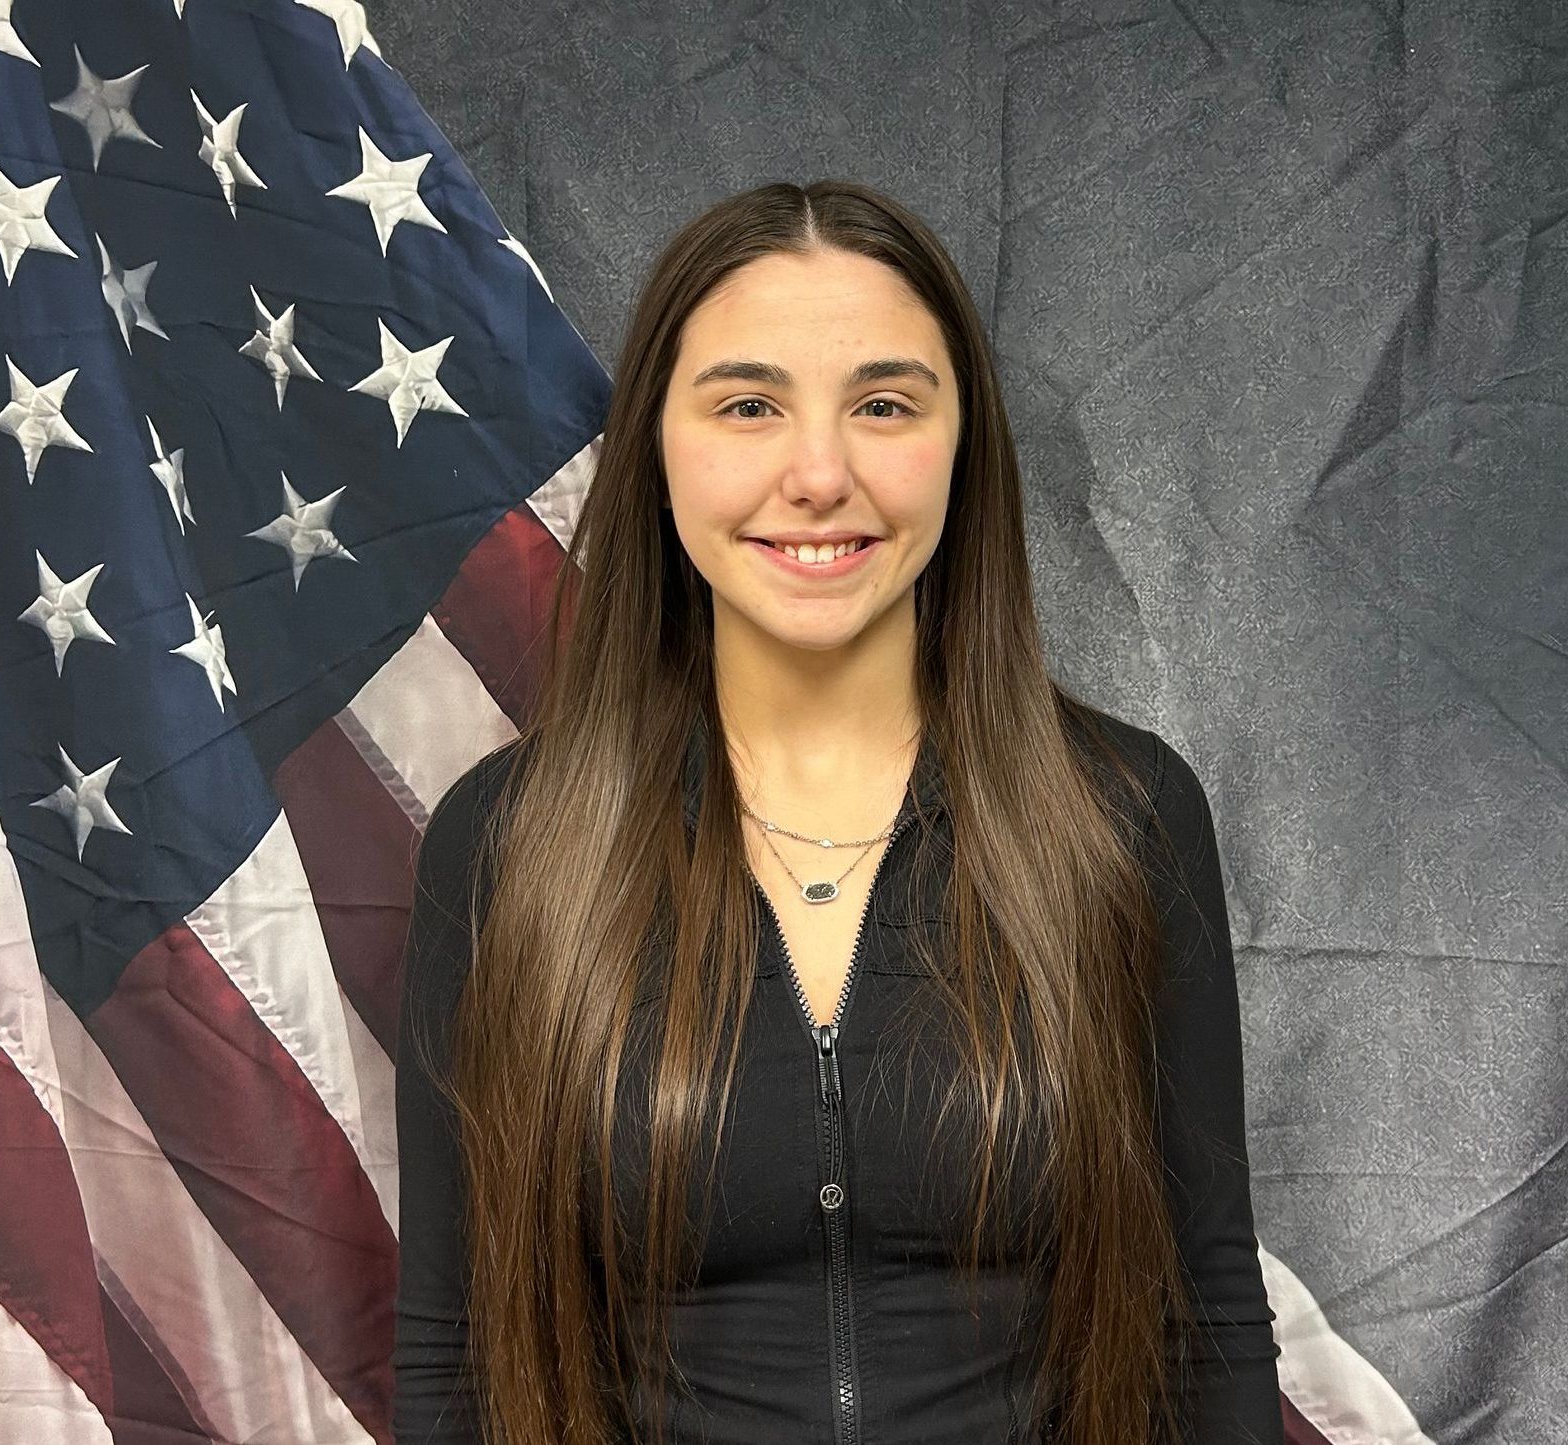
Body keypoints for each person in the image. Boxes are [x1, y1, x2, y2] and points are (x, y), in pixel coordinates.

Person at [392, 178, 1283, 1445]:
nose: (819, 474)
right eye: (749, 405)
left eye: (883, 404)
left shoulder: (1121, 818)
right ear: (656, 447)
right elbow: (456, 1354)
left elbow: (1207, 1322)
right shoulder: (508, 845)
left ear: (964, 443)